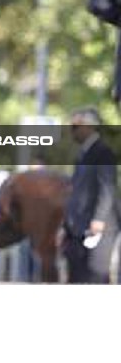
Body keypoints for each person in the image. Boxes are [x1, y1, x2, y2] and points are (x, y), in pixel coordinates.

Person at [62, 107, 120, 283]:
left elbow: (107, 188)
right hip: (77, 227)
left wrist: (99, 219)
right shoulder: (81, 155)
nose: (73, 131)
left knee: (96, 276)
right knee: (76, 277)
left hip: (98, 227)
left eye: (76, 126)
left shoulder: (103, 153)